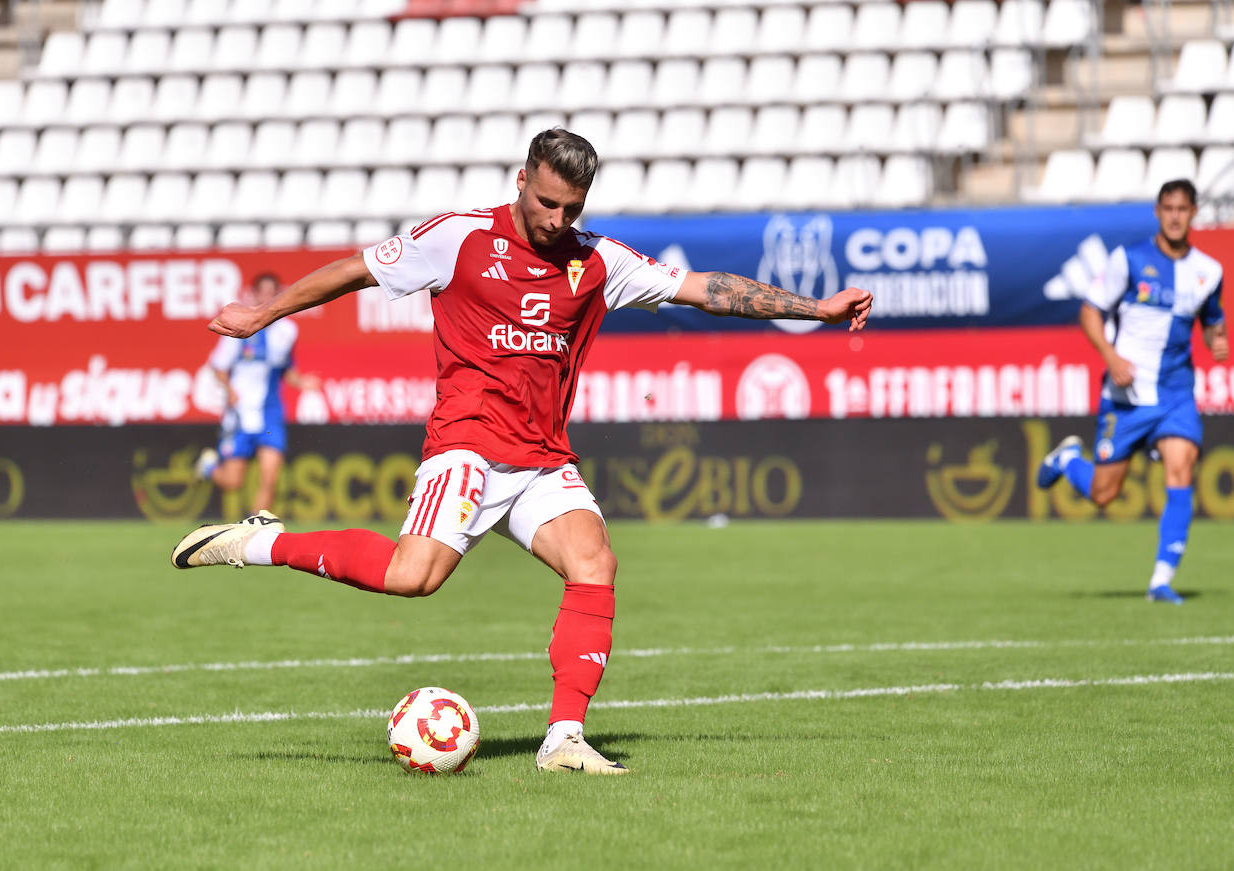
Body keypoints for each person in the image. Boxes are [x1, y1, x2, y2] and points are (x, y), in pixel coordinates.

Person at [172, 129, 873, 773]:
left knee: (595, 561)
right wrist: (265, 313)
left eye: (571, 208)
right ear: (520, 181)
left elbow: (706, 292)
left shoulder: (597, 261)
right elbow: (356, 270)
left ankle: (563, 739)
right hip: (468, 447)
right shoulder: (458, 238)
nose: (556, 220)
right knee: (413, 579)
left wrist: (816, 310)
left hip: (541, 457)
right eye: (546, 203)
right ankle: (259, 544)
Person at [1037, 178, 1226, 604]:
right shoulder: (1129, 259)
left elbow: (1214, 320)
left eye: (1183, 209)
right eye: (1168, 208)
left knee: (1182, 467)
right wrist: (1110, 356)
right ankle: (1069, 460)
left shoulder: (1208, 271)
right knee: (1105, 493)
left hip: (1176, 392)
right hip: (1127, 395)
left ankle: (1161, 580)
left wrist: (1219, 338)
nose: (1175, 216)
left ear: (1194, 213)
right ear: (1158, 212)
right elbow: (1090, 310)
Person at [193, 272, 321, 515]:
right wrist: (230, 391)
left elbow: (286, 369)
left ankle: (253, 535)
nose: (267, 297)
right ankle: (208, 467)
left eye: (272, 292)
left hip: (270, 412)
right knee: (233, 481)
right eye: (262, 291)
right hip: (240, 412)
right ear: (254, 294)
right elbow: (219, 366)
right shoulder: (240, 325)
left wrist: (303, 382)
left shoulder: (288, 331)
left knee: (270, 478)